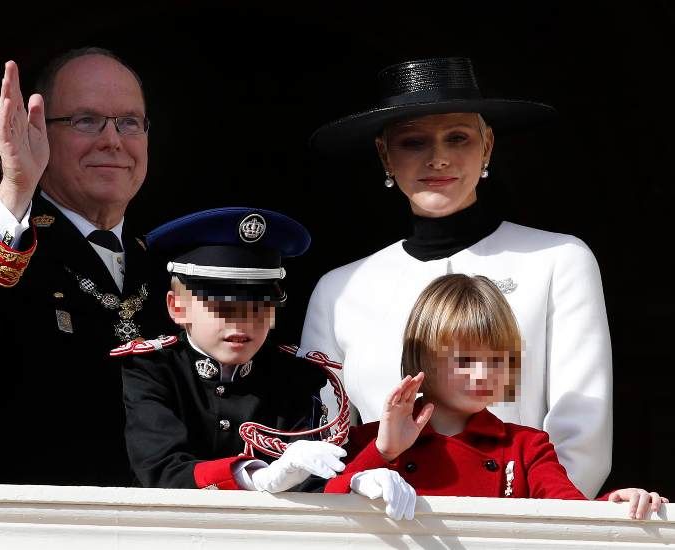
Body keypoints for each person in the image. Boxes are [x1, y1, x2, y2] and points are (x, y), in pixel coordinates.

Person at [300, 57, 612, 498]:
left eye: (458, 138)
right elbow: (327, 439)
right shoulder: (340, 289)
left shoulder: (557, 260)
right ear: (384, 154)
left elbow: (583, 430)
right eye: (413, 142)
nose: (439, 157)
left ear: (487, 146)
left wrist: (545, 529)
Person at [0, 47, 171, 485]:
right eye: (86, 120)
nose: (112, 140)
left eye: (129, 122)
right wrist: (16, 189)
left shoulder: (171, 268)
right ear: (36, 131)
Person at [324, 274, 665, 522]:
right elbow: (322, 513)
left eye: (499, 359)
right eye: (466, 360)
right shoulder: (368, 439)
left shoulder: (526, 447)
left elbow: (571, 515)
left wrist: (617, 505)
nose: (484, 373)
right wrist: (384, 452)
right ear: (422, 359)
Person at [118, 207, 347, 491]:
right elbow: (161, 468)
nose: (242, 323)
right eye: (223, 308)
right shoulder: (153, 369)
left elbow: (315, 481)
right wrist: (250, 476)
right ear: (177, 307)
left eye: (260, 308)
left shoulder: (294, 376)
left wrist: (359, 477)